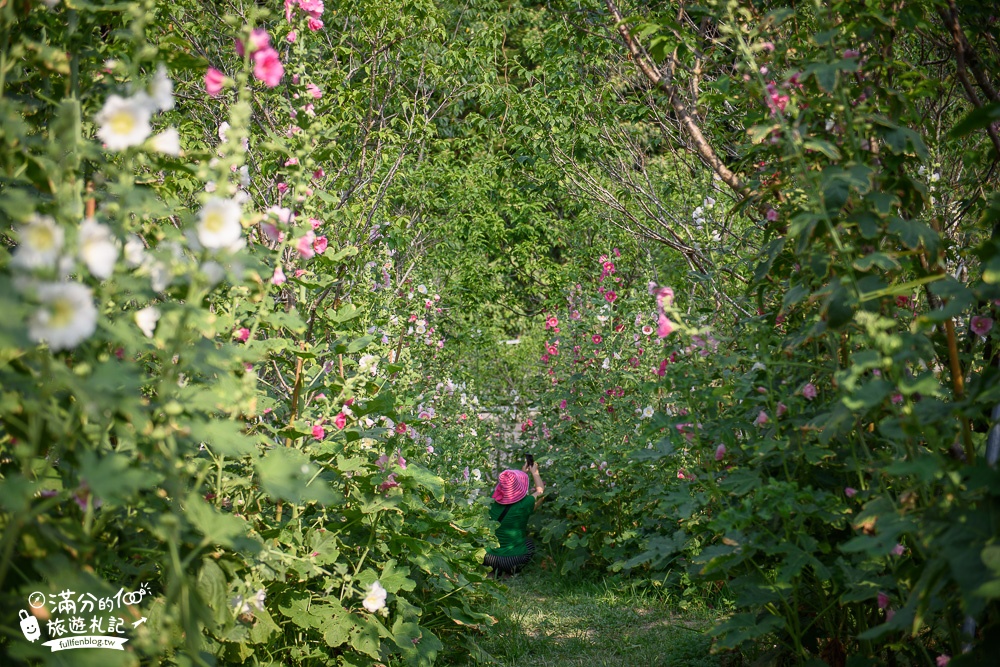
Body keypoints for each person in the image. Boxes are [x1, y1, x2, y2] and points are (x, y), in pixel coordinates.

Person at [483, 462, 545, 577]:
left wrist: (522, 472)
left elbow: (508, 489)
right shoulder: (525, 504)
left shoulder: (493, 497)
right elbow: (540, 492)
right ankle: (510, 572)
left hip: (488, 557)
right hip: (511, 561)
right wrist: (535, 473)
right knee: (529, 544)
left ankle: (492, 571)